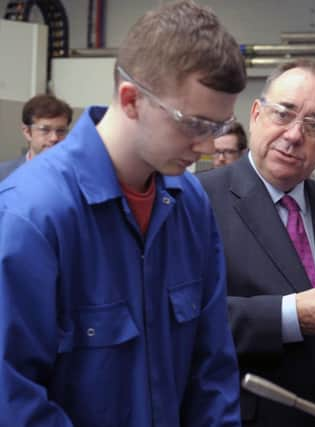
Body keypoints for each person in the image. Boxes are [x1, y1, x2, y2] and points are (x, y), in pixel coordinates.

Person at [0, 1, 246, 426]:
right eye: (193, 124)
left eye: (217, 128)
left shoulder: (190, 204)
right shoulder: (32, 216)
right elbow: (13, 398)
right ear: (132, 99)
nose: (207, 148)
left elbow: (213, 369)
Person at [196, 59, 315, 427]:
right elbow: (186, 319)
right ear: (256, 114)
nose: (295, 134)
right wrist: (290, 317)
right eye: (283, 114)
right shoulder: (199, 201)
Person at [0, 93, 72, 180]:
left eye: (61, 130)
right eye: (45, 130)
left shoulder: (76, 178)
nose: (54, 138)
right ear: (27, 132)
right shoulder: (4, 175)